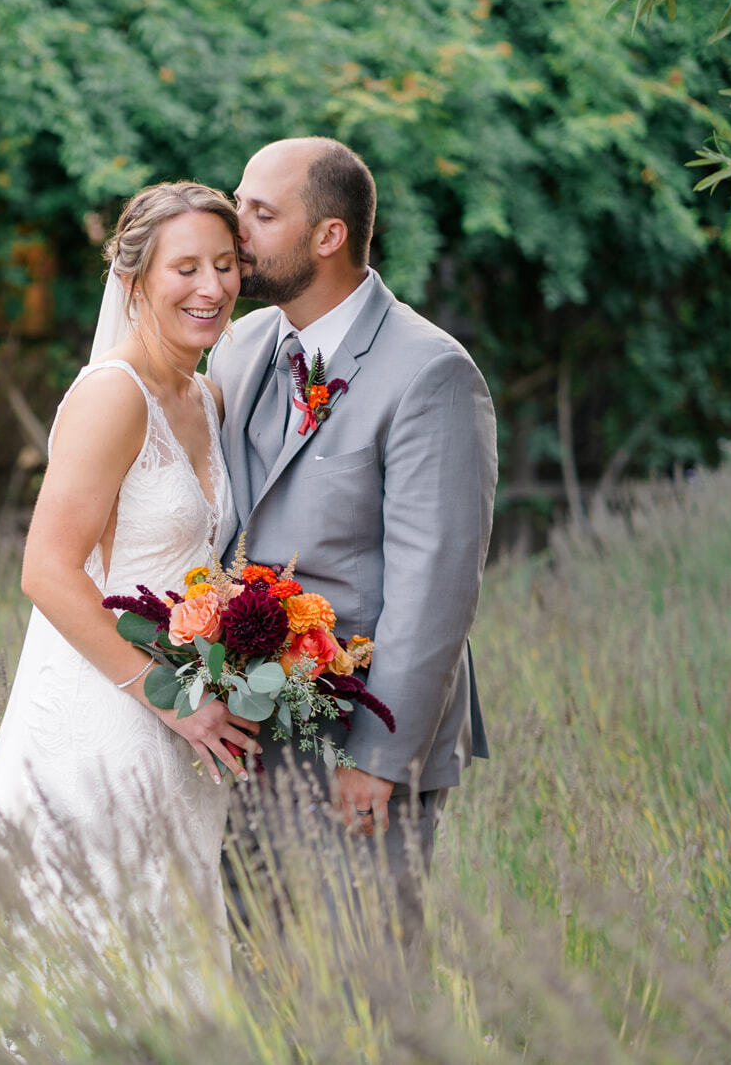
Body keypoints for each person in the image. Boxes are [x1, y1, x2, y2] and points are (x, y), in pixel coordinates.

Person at [0, 181, 262, 980]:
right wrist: (177, 697)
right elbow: (47, 571)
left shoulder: (206, 394)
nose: (212, 287)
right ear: (133, 283)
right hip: (114, 712)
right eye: (186, 267)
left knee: (164, 951)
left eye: (225, 265)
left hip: (185, 733)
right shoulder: (111, 396)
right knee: (79, 949)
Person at [205, 138, 497, 937]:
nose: (238, 232)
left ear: (328, 235)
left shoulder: (430, 371)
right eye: (240, 205)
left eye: (261, 214)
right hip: (245, 729)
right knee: (251, 971)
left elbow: (436, 585)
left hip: (357, 740)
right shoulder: (240, 346)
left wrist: (377, 757)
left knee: (364, 981)